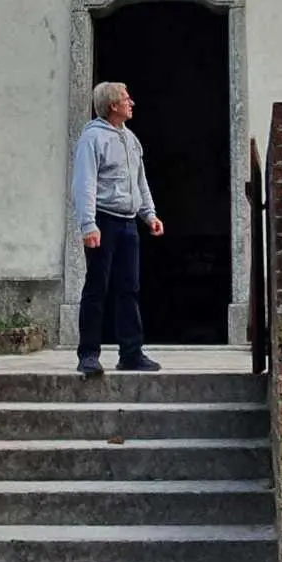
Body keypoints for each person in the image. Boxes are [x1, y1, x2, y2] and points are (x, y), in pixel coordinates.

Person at [71, 81, 165, 376]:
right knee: (97, 288)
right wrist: (89, 224)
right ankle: (88, 355)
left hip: (128, 224)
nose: (131, 103)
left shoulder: (131, 139)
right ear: (113, 106)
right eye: (126, 99)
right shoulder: (93, 139)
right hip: (104, 221)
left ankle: (131, 353)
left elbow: (140, 181)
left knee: (129, 289)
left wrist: (149, 215)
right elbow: (84, 183)